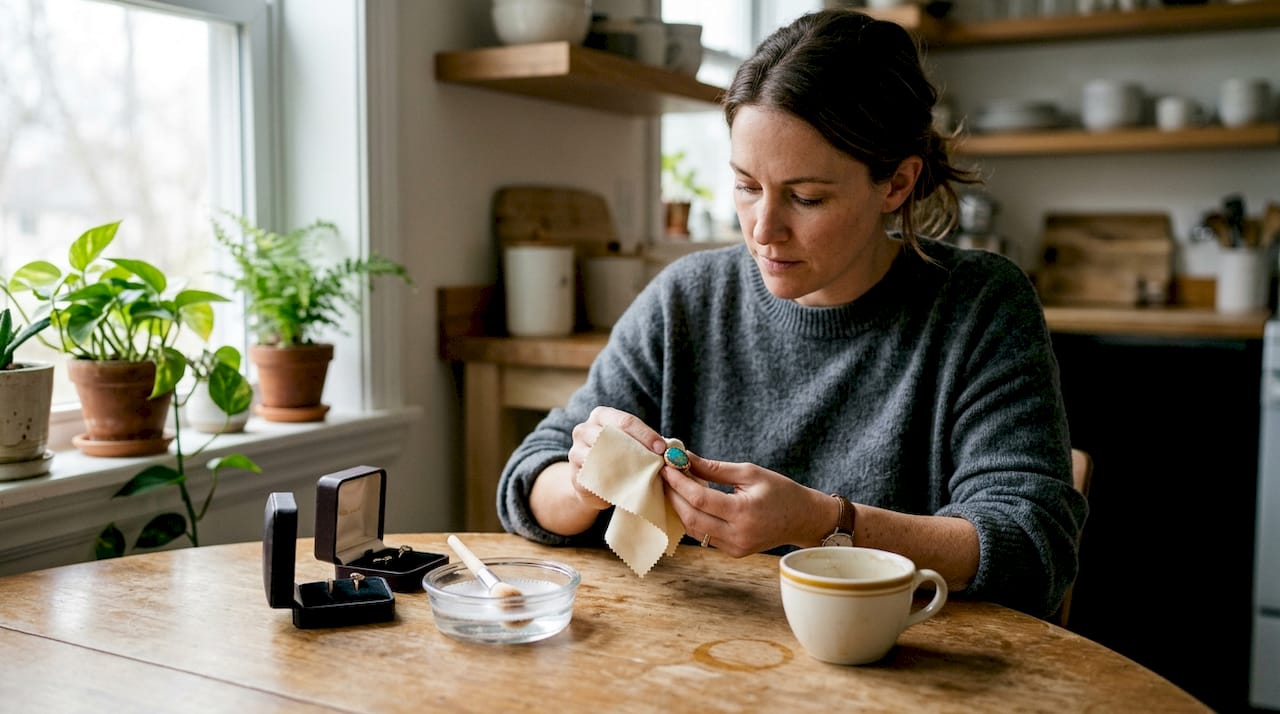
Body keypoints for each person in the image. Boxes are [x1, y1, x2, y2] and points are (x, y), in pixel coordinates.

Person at [496, 8, 1088, 618]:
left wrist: (824, 523)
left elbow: (1032, 546)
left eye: (807, 197)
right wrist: (587, 479)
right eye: (747, 186)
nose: (763, 230)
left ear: (896, 184)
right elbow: (527, 481)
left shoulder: (980, 307)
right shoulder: (687, 298)